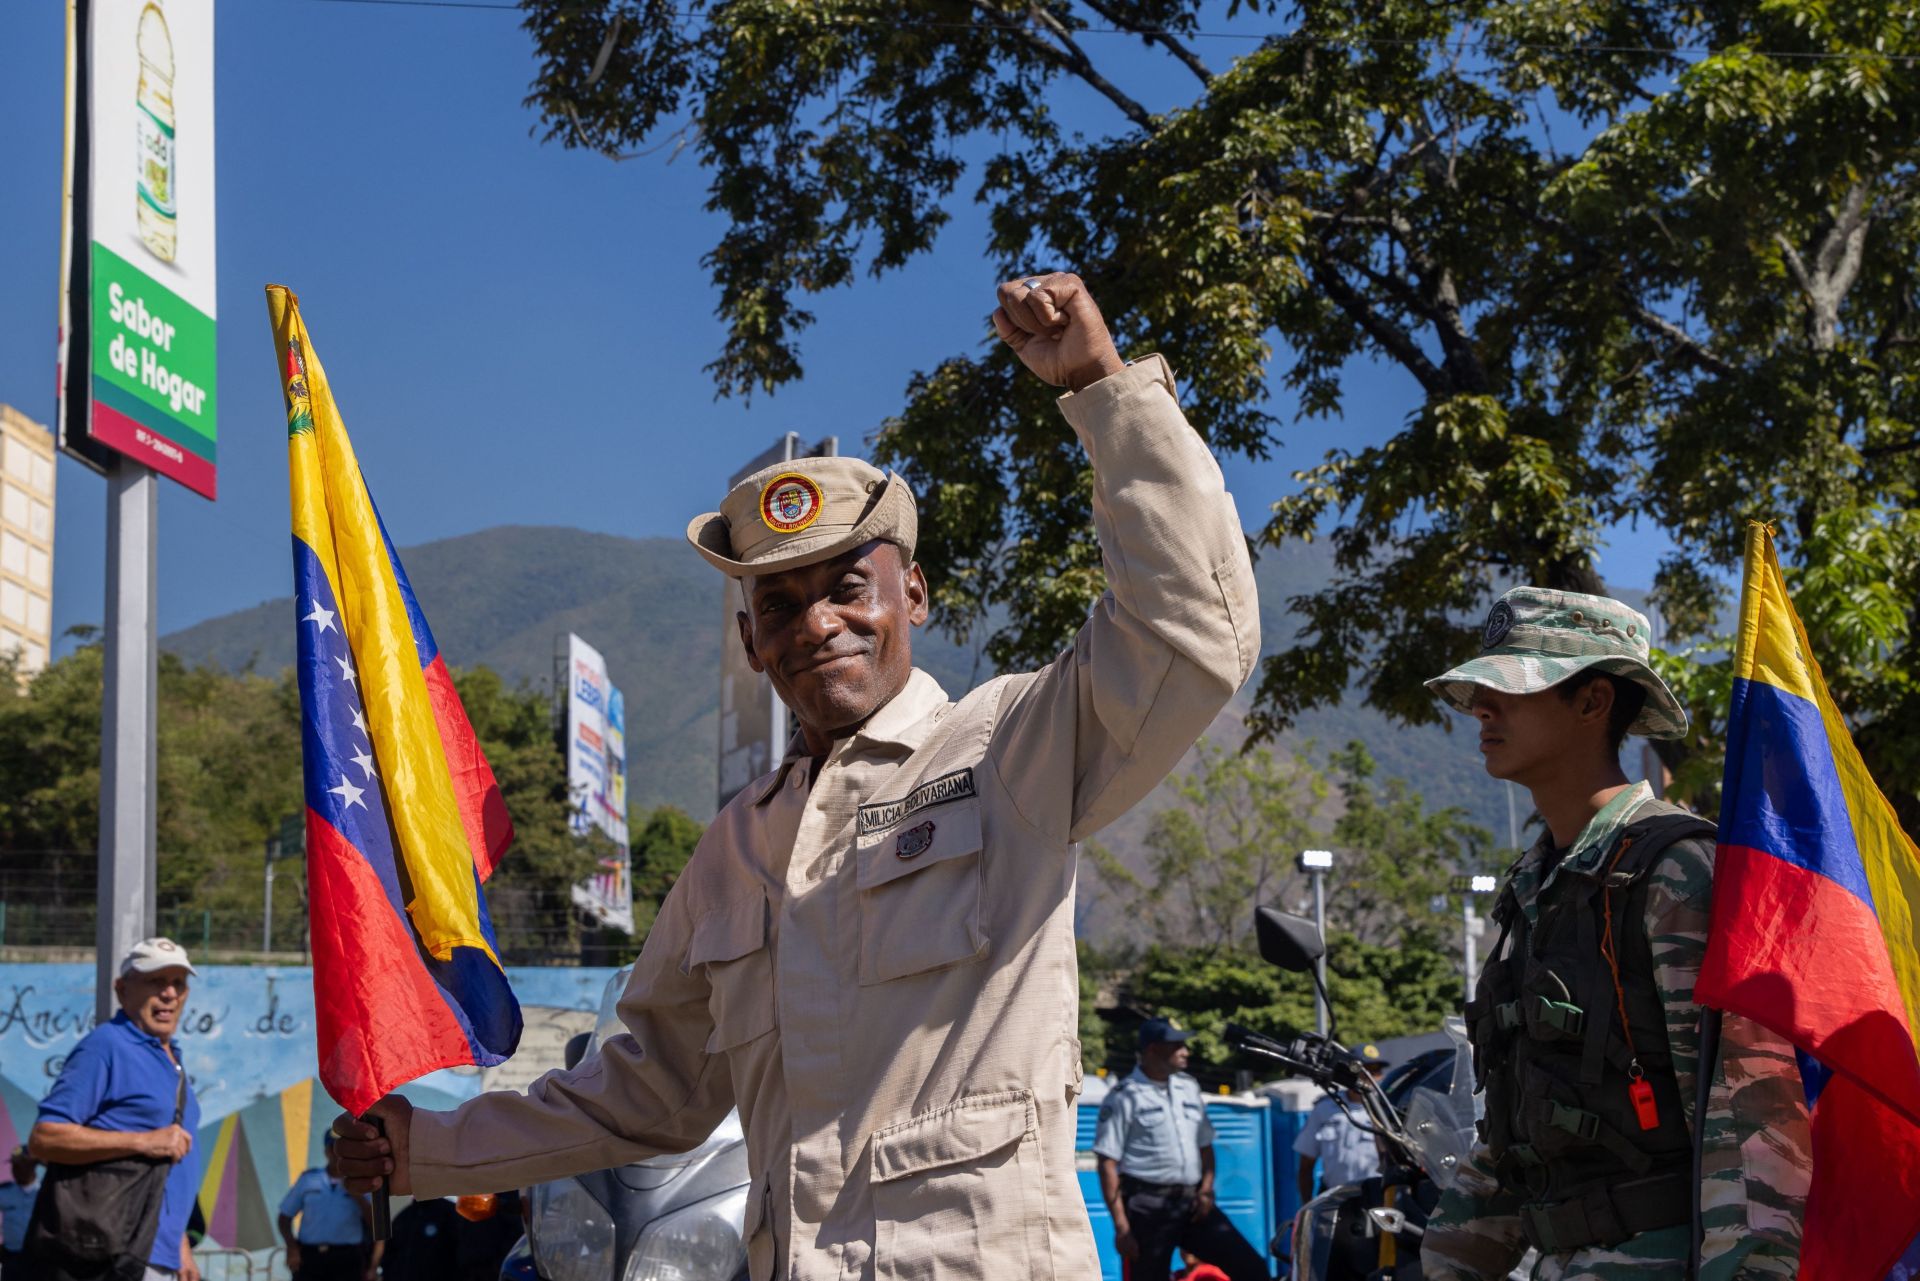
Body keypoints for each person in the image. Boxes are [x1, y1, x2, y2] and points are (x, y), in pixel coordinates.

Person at [332, 271, 1261, 1281]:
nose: (818, 624)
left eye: (848, 589)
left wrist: (1103, 391)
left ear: (913, 592)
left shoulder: (1010, 748)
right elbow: (648, 1093)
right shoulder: (737, 848)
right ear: (751, 641)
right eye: (781, 606)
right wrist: (420, 1150)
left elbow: (1191, 634)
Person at [1418, 588, 1811, 1279]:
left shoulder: (1676, 872)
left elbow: (1749, 1121)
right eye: (1481, 690)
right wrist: (1450, 1257)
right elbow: (1522, 1116)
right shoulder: (1538, 883)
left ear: (1594, 702)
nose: (1483, 707)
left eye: (1511, 689)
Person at [28, 937, 203, 1281]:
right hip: (111, 1253)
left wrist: (179, 1244)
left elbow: (168, 1173)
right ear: (122, 990)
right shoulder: (106, 1045)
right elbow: (45, 1138)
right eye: (155, 981)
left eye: (178, 983)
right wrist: (143, 1141)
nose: (169, 993)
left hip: (156, 1252)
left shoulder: (170, 1057)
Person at [1093, 1018, 1270, 1281]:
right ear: (1153, 1049)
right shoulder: (1124, 1096)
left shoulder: (1188, 1086)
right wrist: (1122, 1228)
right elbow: (1107, 1163)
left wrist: (1207, 1190)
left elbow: (1205, 1146)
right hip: (1148, 1206)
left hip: (1193, 1204)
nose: (1186, 1051)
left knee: (1252, 1269)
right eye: (1177, 1045)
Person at [1293, 1049, 1389, 1203]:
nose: (1369, 1077)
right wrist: (1307, 1204)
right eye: (1363, 1071)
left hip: (1377, 1198)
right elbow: (1306, 1165)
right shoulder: (1325, 1109)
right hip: (1335, 1198)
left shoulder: (1387, 1111)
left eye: (1375, 1072)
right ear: (1348, 1073)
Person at [279, 1135, 379, 1281]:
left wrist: (356, 1195)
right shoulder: (309, 1179)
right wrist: (291, 1247)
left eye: (343, 1148)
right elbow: (284, 1217)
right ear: (326, 1151)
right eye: (333, 1148)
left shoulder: (360, 1182)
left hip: (347, 1259)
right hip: (310, 1256)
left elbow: (374, 1223)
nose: (338, 1153)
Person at [0, 1148, 41, 1278]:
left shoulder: (46, 1192)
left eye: (21, 1165)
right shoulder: (5, 1191)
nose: (16, 1170)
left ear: (33, 1166)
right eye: (14, 1166)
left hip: (40, 1260)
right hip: (12, 1258)